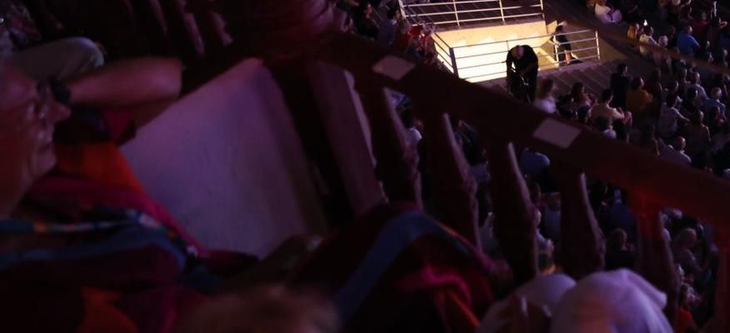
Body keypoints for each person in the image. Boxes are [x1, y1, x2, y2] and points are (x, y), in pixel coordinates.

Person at [0, 58, 495, 332]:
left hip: (231, 286)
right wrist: (260, 300)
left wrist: (59, 95)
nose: (52, 118)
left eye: (46, 100)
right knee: (407, 237)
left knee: (405, 246)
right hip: (228, 316)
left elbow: (165, 78)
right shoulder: (28, 299)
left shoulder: (64, 155)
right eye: (32, 113)